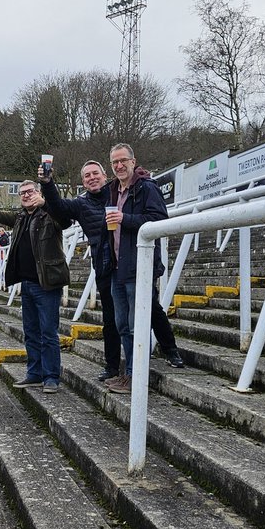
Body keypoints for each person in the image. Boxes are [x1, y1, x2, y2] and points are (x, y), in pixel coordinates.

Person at [39, 159, 184, 383]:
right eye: (87, 176)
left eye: (95, 173)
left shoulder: (117, 192)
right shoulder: (80, 204)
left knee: (151, 308)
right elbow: (58, 207)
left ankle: (170, 349)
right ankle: (112, 366)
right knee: (111, 318)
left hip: (132, 261)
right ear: (83, 182)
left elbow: (141, 193)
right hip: (105, 265)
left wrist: (141, 174)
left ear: (105, 176)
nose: (92, 178)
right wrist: (47, 183)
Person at [0, 179, 71, 394]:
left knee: (48, 332)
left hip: (46, 284)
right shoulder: (20, 217)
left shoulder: (50, 214)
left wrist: (46, 202)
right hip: (26, 284)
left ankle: (51, 377)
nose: (26, 195)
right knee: (30, 332)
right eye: (22, 193)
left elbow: (65, 220)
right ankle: (35, 374)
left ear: (39, 193)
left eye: (30, 192)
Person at [103, 143, 176, 395]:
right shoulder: (112, 190)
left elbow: (160, 221)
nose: (119, 166)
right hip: (117, 267)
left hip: (138, 268)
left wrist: (126, 219)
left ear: (134, 161)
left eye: (123, 160)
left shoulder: (147, 188)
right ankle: (129, 373)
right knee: (122, 323)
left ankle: (137, 376)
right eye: (114, 162)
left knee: (136, 325)